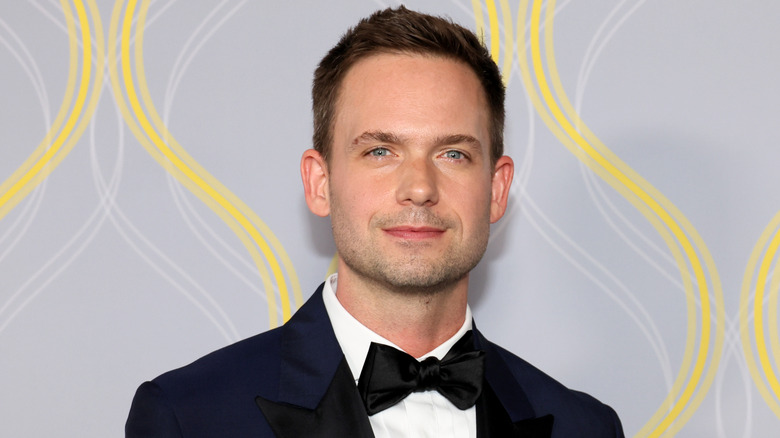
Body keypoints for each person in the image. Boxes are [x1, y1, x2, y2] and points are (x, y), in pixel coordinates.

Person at [126, 6, 624, 438]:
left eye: (453, 153)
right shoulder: (190, 419)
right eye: (381, 151)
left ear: (496, 190)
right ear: (320, 182)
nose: (420, 187)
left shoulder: (584, 427)